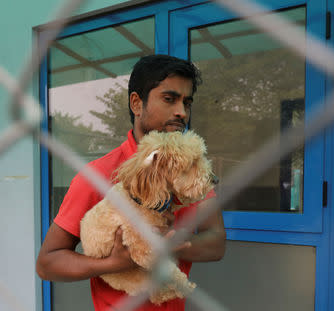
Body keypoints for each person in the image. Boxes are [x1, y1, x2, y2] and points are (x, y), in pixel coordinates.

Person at [36, 54, 226, 311]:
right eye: (169, 99)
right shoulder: (95, 176)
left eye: (187, 102)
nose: (181, 112)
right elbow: (47, 263)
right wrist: (114, 264)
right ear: (137, 104)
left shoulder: (191, 171)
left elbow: (216, 241)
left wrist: (175, 245)